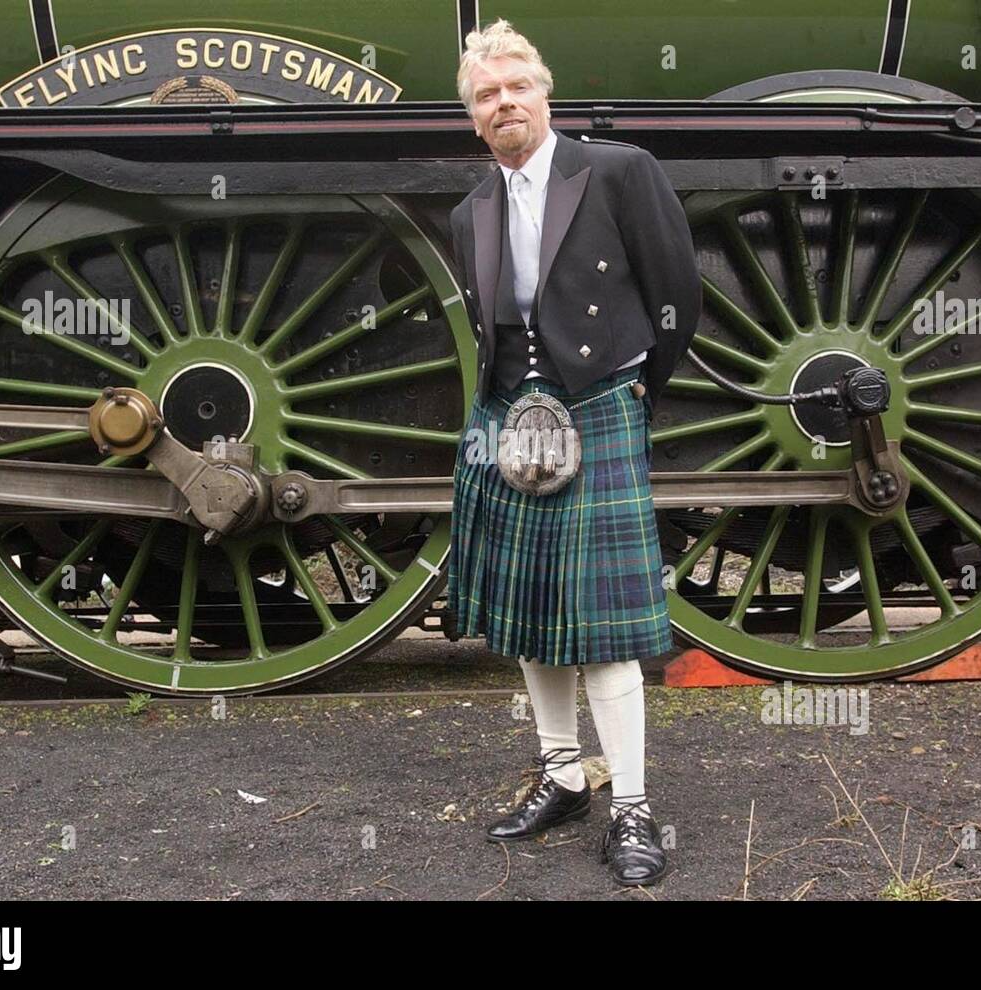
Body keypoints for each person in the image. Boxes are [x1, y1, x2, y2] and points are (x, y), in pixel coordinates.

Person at [446, 18, 701, 887]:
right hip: (508, 420)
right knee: (531, 616)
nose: (505, 103)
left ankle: (630, 803)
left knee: (601, 630)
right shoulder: (468, 212)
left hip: (598, 406)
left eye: (517, 87)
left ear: (545, 93)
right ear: (474, 118)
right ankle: (562, 776)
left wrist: (638, 392)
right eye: (487, 96)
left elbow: (677, 294)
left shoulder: (620, 171)